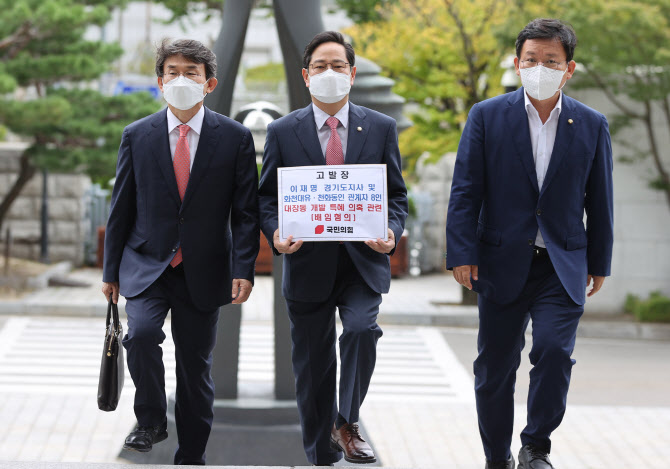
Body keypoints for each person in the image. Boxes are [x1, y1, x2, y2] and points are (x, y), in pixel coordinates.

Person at [446, 18, 613, 469]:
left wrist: (599, 261)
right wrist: (461, 253)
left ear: (569, 68)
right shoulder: (486, 115)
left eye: (551, 61)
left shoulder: (592, 124)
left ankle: (536, 445)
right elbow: (466, 189)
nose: (540, 67)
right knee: (495, 369)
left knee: (555, 352)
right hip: (500, 262)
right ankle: (496, 457)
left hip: (562, 263)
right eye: (531, 59)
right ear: (517, 63)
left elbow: (601, 199)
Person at [101, 38, 259, 465]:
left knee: (195, 369)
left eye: (192, 72)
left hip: (204, 270)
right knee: (142, 335)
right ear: (159, 81)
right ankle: (150, 419)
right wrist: (109, 272)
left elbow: (246, 213)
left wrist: (244, 267)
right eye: (173, 71)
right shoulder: (137, 135)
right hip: (147, 264)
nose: (181, 79)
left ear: (209, 84)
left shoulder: (235, 138)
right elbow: (122, 207)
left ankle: (191, 454)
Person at [258, 31, 408, 466]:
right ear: (306, 76)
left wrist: (391, 232)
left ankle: (347, 423)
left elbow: (396, 196)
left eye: (337, 66)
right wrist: (277, 234)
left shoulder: (380, 128)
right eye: (320, 67)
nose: (329, 74)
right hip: (307, 264)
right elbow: (268, 197)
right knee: (312, 368)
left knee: (362, 331)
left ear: (352, 73)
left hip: (362, 263)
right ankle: (319, 453)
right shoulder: (283, 131)